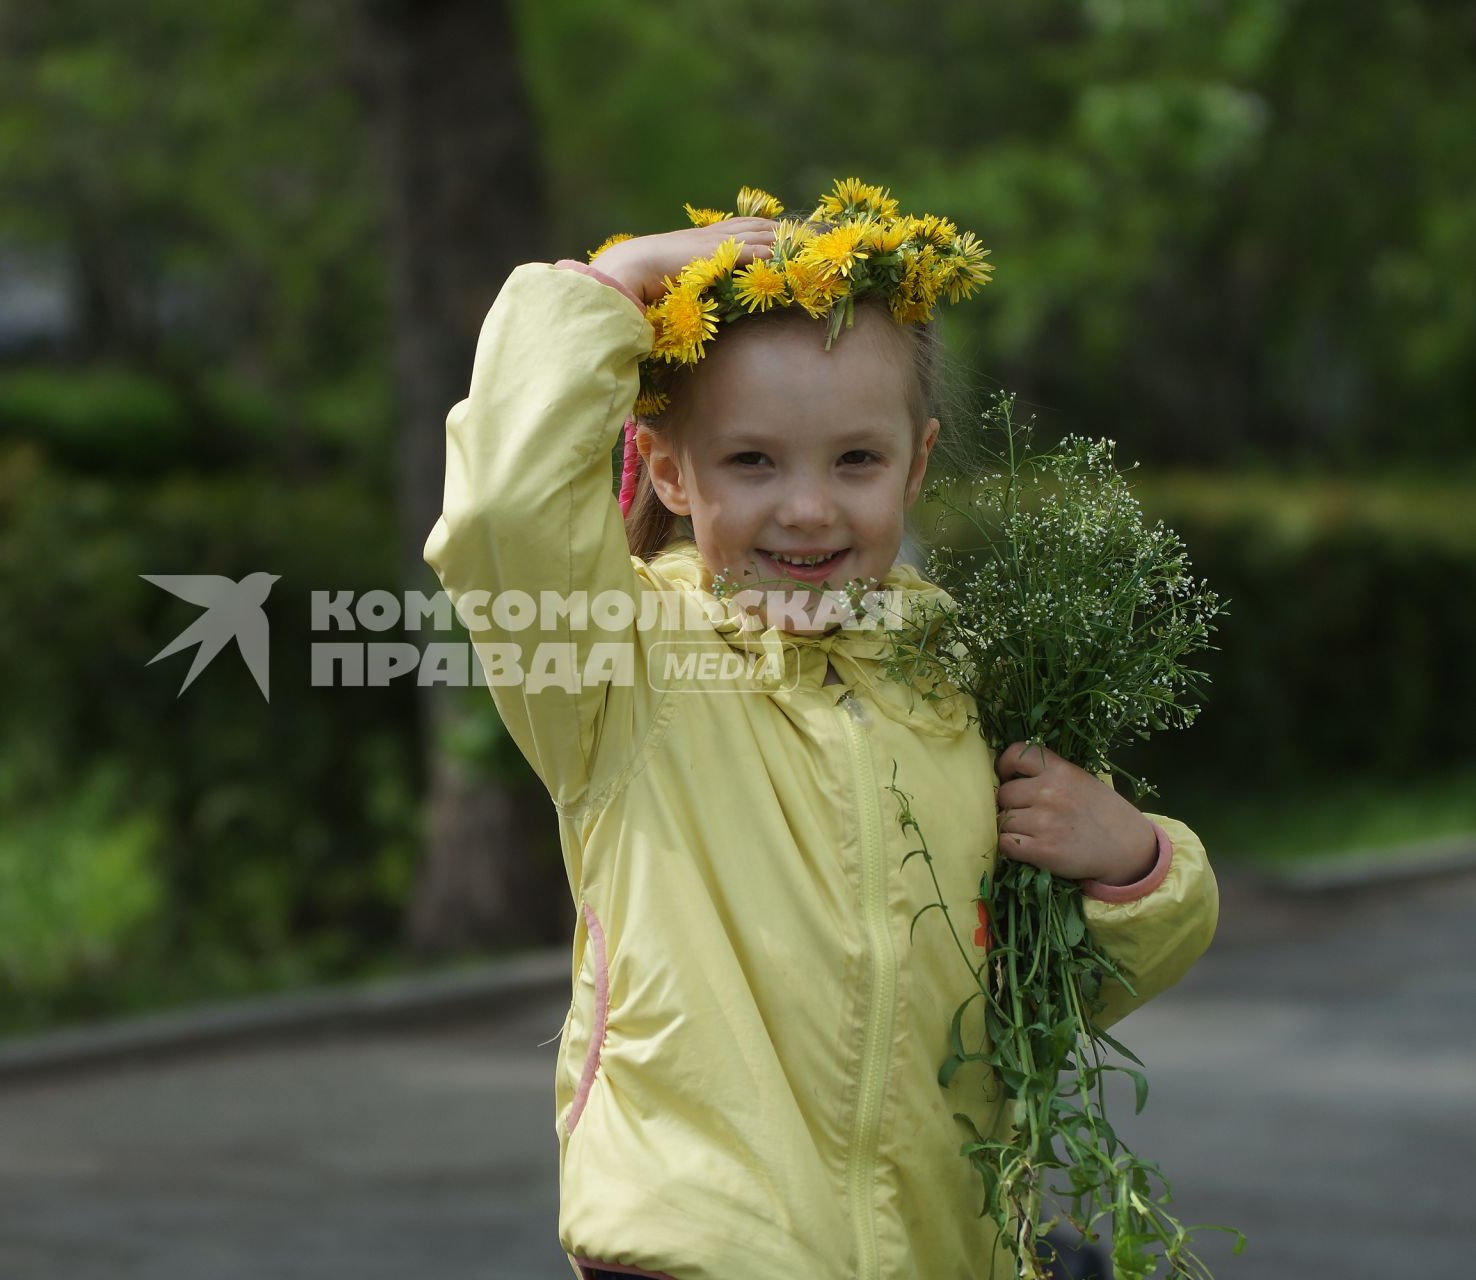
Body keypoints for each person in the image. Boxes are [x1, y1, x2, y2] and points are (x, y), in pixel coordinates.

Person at [421, 183, 1220, 1280]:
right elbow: (502, 513)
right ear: (667, 471)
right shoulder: (616, 660)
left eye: (855, 460)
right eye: (752, 461)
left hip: (944, 1245)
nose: (808, 507)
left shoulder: (960, 679)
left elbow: (1042, 990)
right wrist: (614, 285)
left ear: (916, 463)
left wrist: (1132, 864)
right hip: (700, 1244)